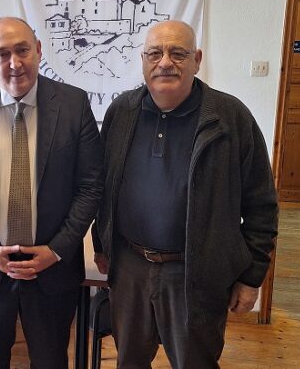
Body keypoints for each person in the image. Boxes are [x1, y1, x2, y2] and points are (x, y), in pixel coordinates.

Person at [92, 20, 278, 368]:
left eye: (178, 53)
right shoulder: (122, 111)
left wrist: (251, 276)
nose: (165, 62)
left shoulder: (230, 118)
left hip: (196, 275)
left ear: (197, 60)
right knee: (129, 361)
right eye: (155, 53)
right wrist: (101, 244)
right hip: (130, 268)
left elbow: (262, 206)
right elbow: (104, 186)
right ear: (143, 60)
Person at [0, 17, 104, 369]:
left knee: (50, 362)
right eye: (2, 54)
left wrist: (56, 250)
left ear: (38, 50)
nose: (15, 63)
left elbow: (90, 186)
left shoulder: (73, 105)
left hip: (52, 270)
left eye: (22, 50)